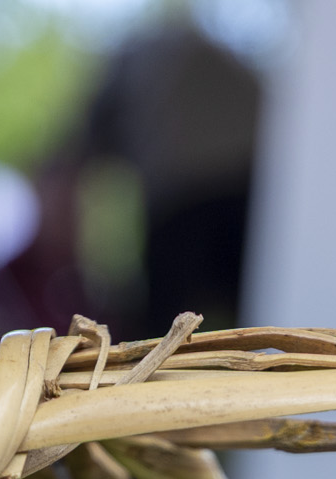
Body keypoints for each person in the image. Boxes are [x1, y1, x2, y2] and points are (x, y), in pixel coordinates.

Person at [82, 19, 261, 338]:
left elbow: (88, 139)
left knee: (163, 329)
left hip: (179, 198)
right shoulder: (222, 53)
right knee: (250, 313)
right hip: (248, 191)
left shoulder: (131, 54)